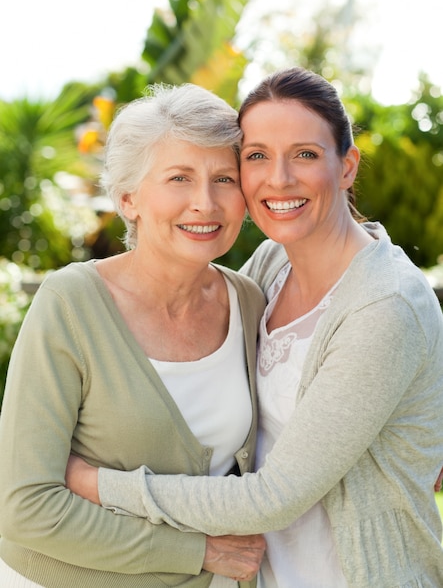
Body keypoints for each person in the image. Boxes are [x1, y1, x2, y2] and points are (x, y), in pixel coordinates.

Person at [66, 67, 443, 588]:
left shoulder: (383, 304)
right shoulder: (271, 265)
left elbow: (272, 497)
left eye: (306, 154)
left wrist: (95, 482)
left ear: (348, 165)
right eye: (257, 156)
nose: (279, 178)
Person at [0, 83, 267, 587]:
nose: (204, 203)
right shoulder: (71, 303)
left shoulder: (248, 302)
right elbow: (25, 506)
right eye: (179, 178)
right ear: (128, 198)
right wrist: (199, 552)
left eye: (224, 179)